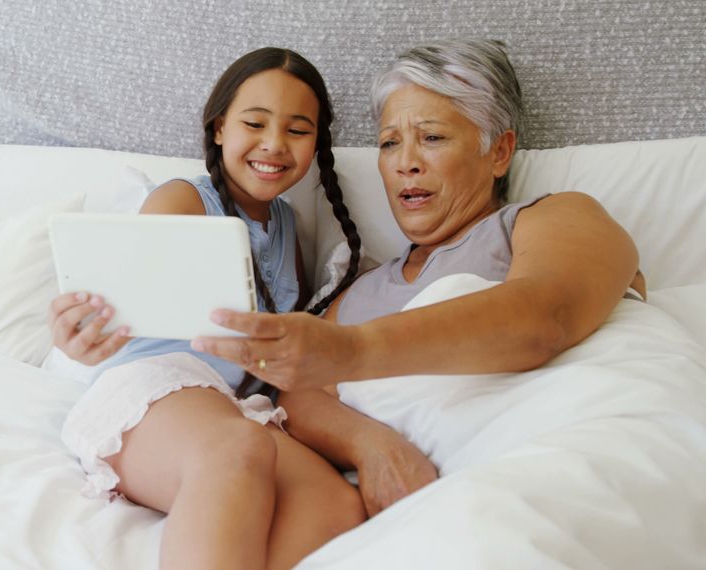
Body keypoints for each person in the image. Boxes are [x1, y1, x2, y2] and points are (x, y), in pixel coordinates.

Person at [189, 39, 646, 483]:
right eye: (389, 144)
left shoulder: (552, 218)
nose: (406, 162)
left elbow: (547, 314)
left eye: (431, 137)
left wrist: (354, 352)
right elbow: (301, 392)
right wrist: (371, 445)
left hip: (547, 460)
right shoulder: (358, 292)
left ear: (500, 152)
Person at [49, 47, 424, 570]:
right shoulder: (183, 201)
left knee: (334, 502)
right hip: (154, 392)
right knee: (237, 446)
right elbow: (111, 303)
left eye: (298, 130)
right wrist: (79, 333)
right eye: (255, 123)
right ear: (221, 127)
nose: (274, 144)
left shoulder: (289, 228)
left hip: (229, 406)